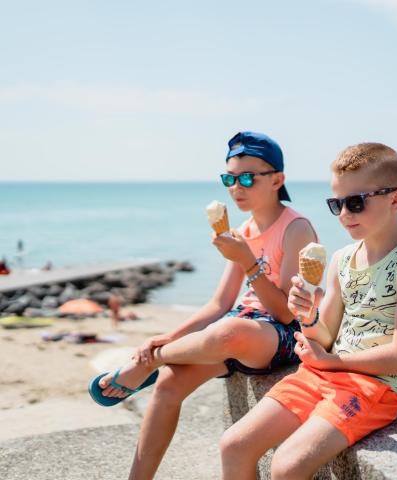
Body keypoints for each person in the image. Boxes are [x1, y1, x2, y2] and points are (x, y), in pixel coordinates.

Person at [88, 131, 318, 479]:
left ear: (277, 180)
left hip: (282, 333)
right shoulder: (243, 229)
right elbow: (220, 302)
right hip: (242, 326)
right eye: (229, 178)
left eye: (246, 177)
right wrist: (166, 338)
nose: (235, 187)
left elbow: (286, 312)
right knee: (168, 384)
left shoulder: (296, 228)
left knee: (227, 331)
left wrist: (248, 263)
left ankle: (145, 368)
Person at [218, 142, 397, 479]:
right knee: (233, 445)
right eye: (336, 204)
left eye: (356, 203)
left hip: (376, 386)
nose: (345, 215)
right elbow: (327, 335)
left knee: (287, 466)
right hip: (323, 374)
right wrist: (308, 316)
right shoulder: (341, 259)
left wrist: (331, 360)